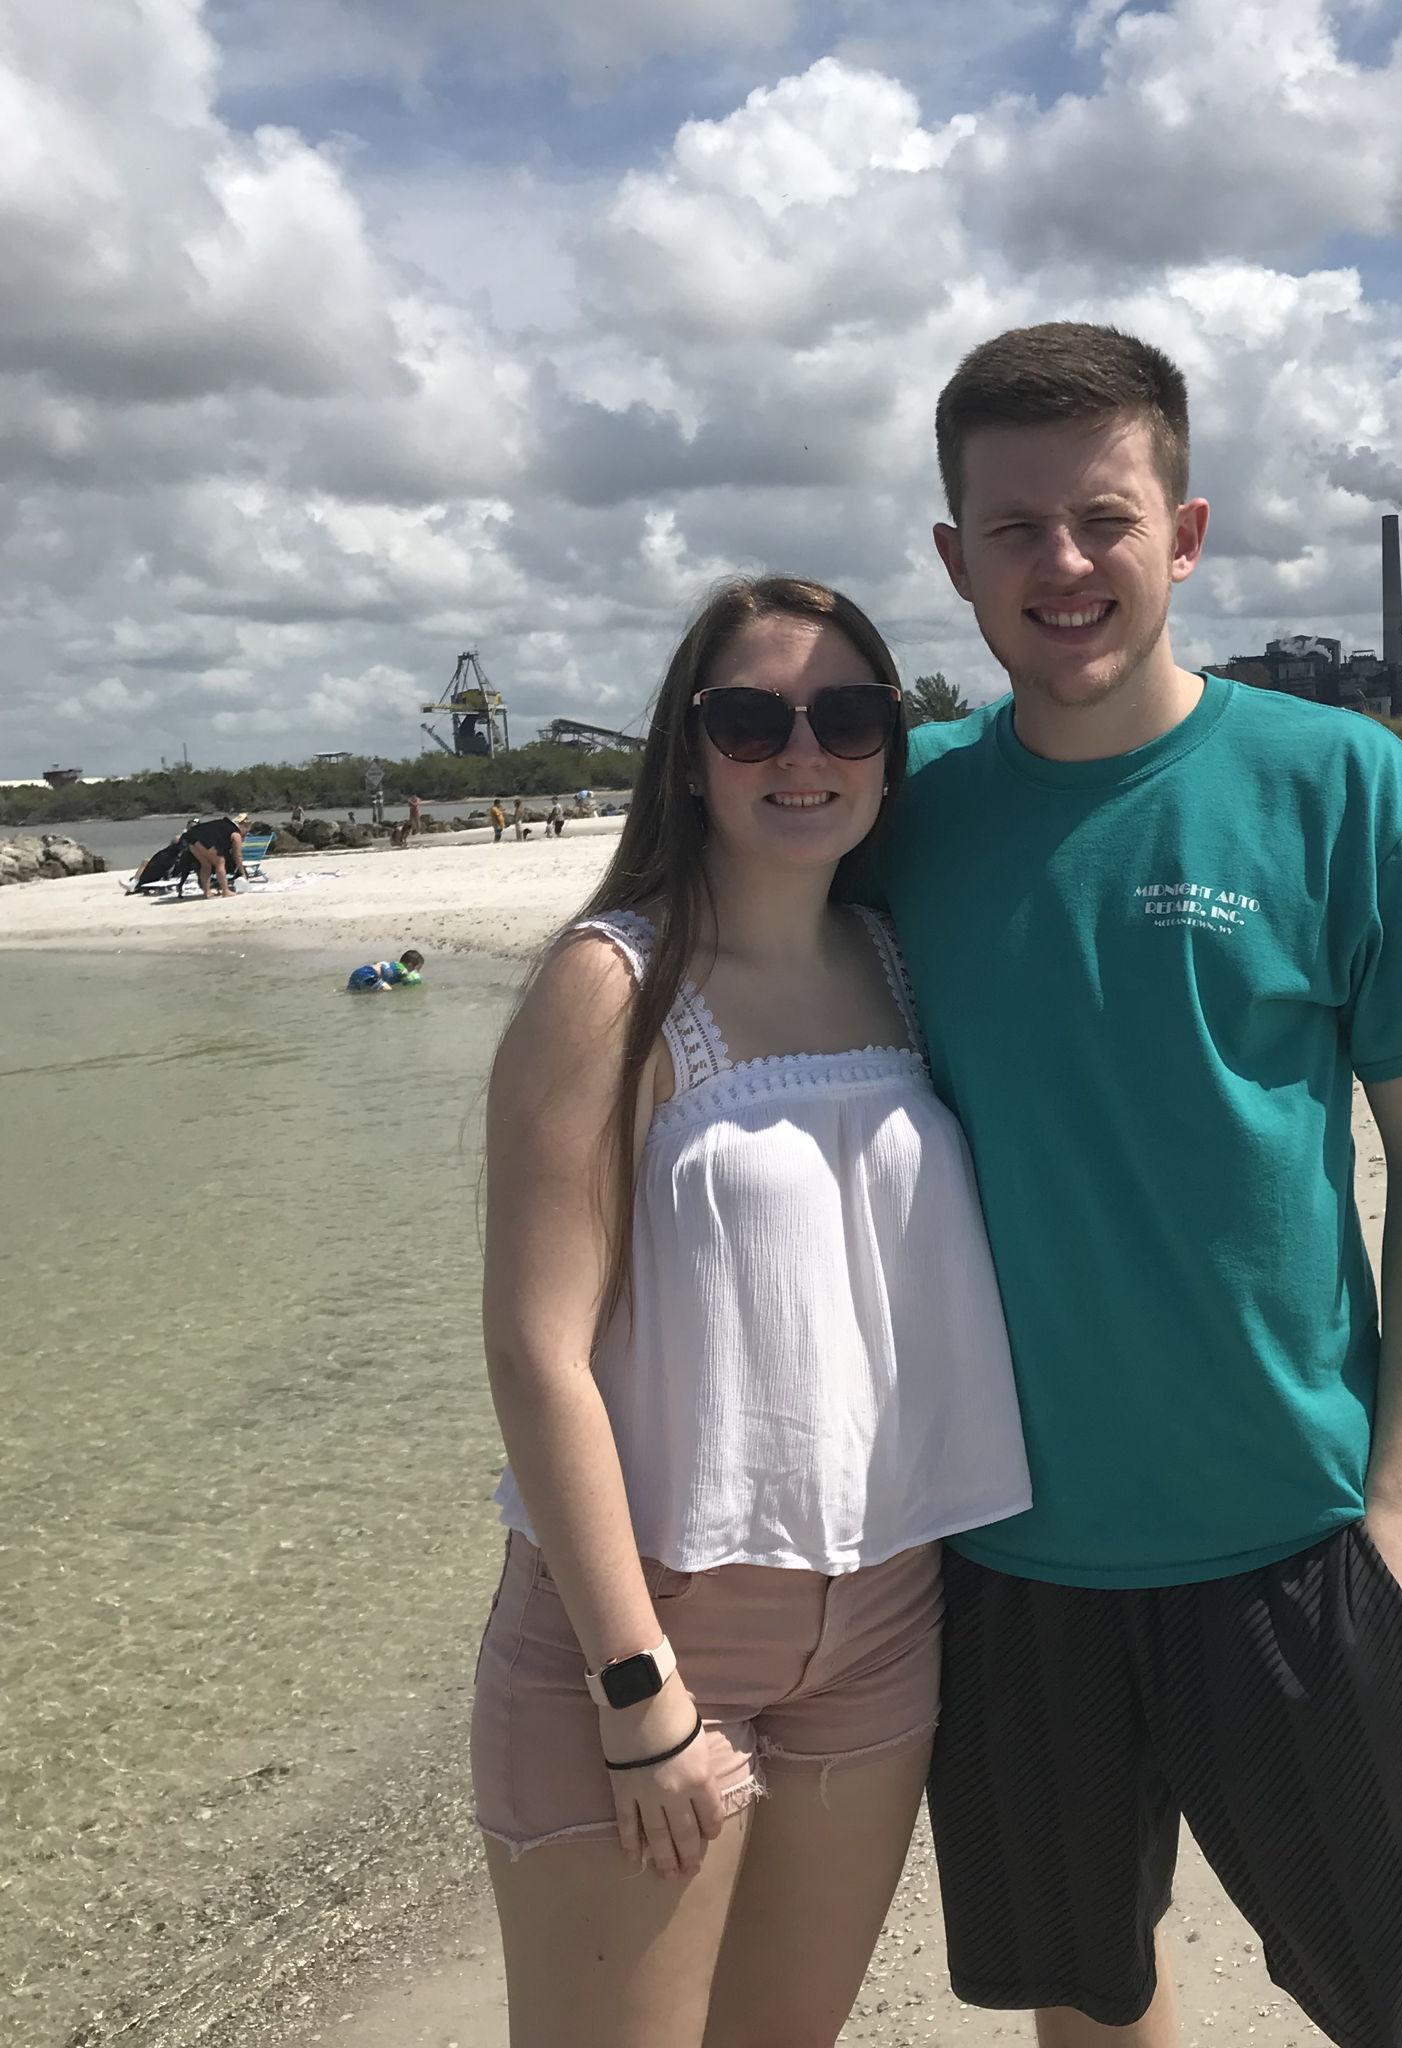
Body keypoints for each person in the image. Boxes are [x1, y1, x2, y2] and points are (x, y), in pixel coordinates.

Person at [855, 322, 1402, 2048]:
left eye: (1102, 516)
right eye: (1011, 528)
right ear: (952, 559)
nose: (1060, 564)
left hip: (1296, 1531)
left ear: (1185, 531)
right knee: (1088, 1990)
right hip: (1005, 1551)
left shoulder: (1336, 787)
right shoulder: (896, 818)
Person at [471, 576, 1030, 2048]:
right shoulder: (612, 987)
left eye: (846, 715)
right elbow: (536, 1354)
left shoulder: (902, 961)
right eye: (749, 719)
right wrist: (635, 1687)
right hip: (653, 1632)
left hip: (887, 1625)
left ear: (887, 751)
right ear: (686, 748)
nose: (803, 751)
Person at [179, 813, 243, 898]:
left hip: (190, 838)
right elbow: (237, 856)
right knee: (220, 862)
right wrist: (242, 872)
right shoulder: (235, 833)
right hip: (204, 840)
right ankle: (225, 891)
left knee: (206, 865)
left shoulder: (220, 825)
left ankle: (207, 892)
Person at [347, 950, 426, 991]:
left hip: (359, 972)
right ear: (410, 965)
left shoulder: (395, 964)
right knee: (389, 990)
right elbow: (407, 979)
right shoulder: (403, 970)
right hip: (368, 974)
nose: (417, 972)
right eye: (417, 969)